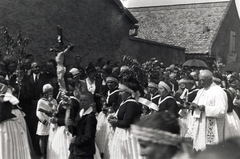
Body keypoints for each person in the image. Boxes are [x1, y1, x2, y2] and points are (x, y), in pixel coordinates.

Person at [187, 70, 228, 151]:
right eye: (200, 80)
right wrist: (192, 106)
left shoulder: (218, 91)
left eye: (204, 80)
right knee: (199, 149)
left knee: (211, 150)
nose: (201, 82)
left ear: (210, 79)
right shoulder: (200, 91)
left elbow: (222, 110)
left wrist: (206, 109)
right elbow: (196, 102)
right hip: (200, 125)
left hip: (212, 126)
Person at [108, 82, 142, 159]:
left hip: (128, 134)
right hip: (122, 132)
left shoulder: (131, 104)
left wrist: (116, 122)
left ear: (128, 93)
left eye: (121, 91)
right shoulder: (125, 103)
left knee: (128, 155)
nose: (119, 94)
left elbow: (127, 122)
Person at [0, 76, 31, 159]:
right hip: (5, 124)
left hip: (6, 124)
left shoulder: (6, 97)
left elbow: (3, 113)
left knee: (9, 148)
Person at [69, 91, 97, 159]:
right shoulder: (80, 113)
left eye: (85, 100)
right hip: (76, 150)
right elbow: (76, 131)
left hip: (84, 152)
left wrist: (76, 140)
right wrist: (71, 125)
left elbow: (89, 136)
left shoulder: (90, 117)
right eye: (81, 100)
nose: (82, 102)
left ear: (91, 101)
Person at [36, 84, 57, 159]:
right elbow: (38, 113)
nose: (51, 93)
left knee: (50, 139)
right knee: (42, 139)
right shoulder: (41, 101)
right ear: (45, 92)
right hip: (43, 123)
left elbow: (55, 111)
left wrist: (52, 106)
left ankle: (49, 153)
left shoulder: (54, 100)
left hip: (51, 122)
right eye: (50, 91)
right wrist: (44, 121)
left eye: (52, 91)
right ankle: (42, 154)